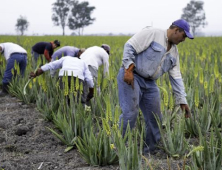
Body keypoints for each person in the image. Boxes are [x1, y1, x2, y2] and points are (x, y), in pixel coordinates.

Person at [117, 19, 193, 154]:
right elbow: (130, 46)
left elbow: (176, 77)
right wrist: (128, 70)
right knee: (130, 113)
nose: (184, 40)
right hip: (132, 75)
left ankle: (150, 150)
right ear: (176, 30)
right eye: (184, 36)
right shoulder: (153, 33)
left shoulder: (174, 53)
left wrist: (182, 101)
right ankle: (116, 147)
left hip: (150, 83)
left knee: (155, 117)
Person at [30, 55, 94, 103]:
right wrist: (91, 91)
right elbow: (89, 79)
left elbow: (51, 65)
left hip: (63, 76)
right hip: (78, 78)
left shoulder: (65, 58)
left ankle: (63, 114)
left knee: (62, 98)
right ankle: (77, 114)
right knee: (79, 99)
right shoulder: (83, 62)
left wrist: (36, 73)